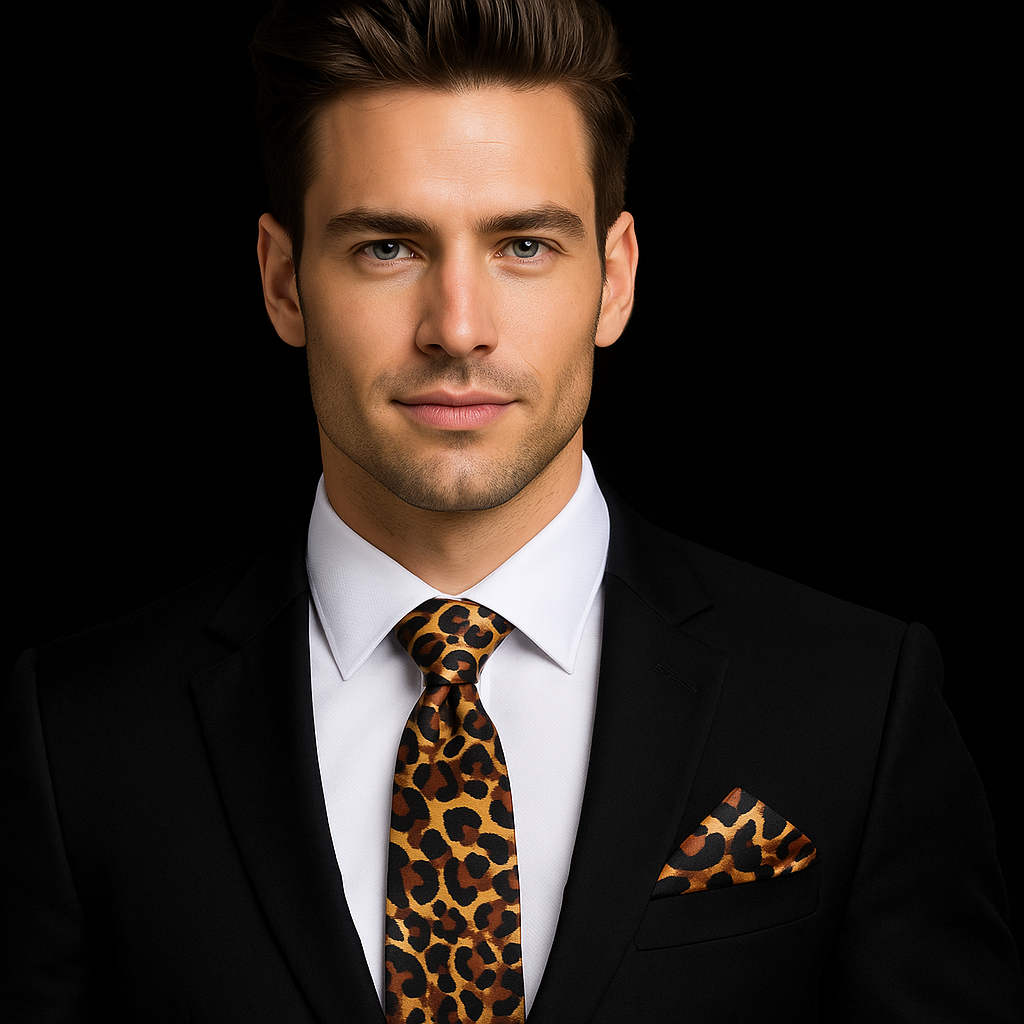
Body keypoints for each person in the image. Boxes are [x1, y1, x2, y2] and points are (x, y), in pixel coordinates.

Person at [3, 0, 1020, 1021]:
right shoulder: (82, 737)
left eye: (524, 245)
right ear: (282, 281)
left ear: (613, 279)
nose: (458, 327)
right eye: (388, 247)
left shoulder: (854, 704)